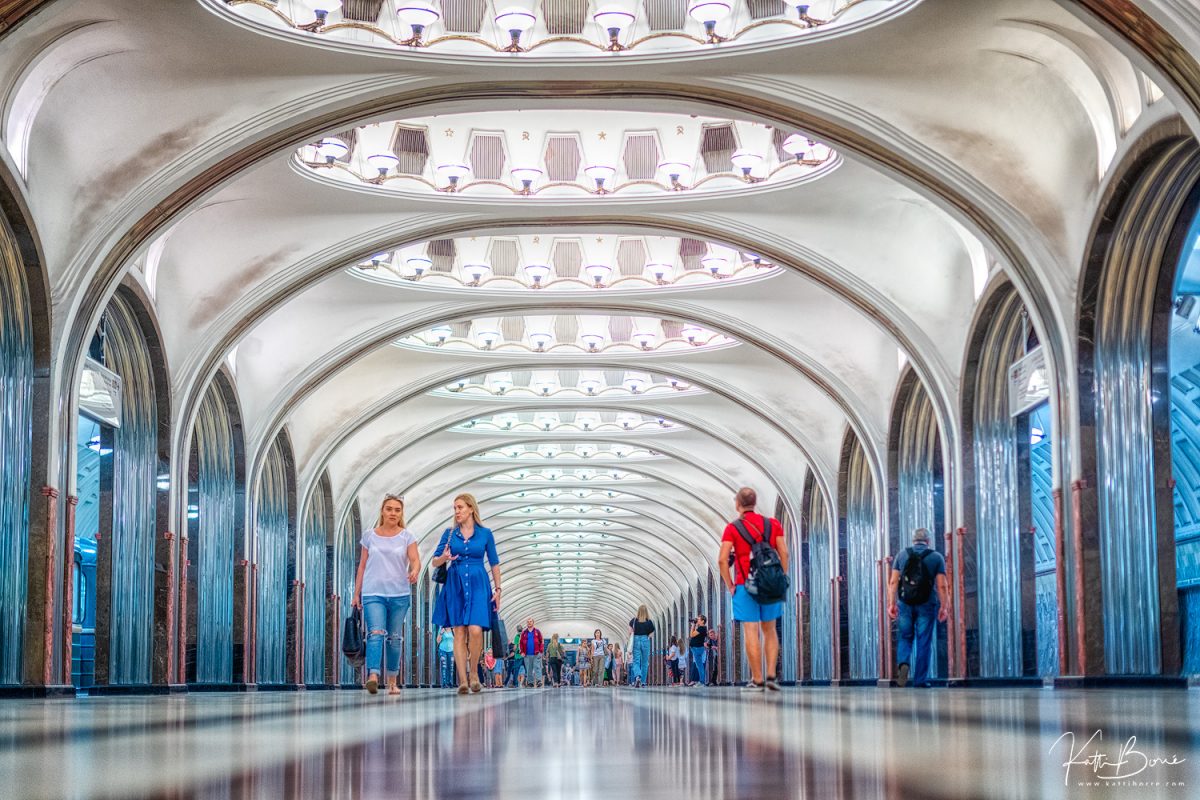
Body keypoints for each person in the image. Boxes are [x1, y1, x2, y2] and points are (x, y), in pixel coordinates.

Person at [719, 487, 790, 692]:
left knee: (751, 631)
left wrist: (730, 585)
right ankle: (770, 676)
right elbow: (784, 552)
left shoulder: (732, 528)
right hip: (770, 585)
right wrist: (781, 577)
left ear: (738, 505)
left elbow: (723, 559)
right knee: (770, 630)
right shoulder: (772, 524)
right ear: (755, 502)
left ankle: (757, 679)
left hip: (744, 584)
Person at [430, 493, 502, 695]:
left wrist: (498, 589)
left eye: (460, 507)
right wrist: (444, 557)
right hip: (455, 583)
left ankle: (474, 674)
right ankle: (462, 679)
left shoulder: (485, 533)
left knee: (476, 629)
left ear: (471, 508)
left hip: (479, 582)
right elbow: (435, 561)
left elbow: (494, 563)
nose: (457, 511)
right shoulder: (450, 533)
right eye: (455, 508)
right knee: (459, 632)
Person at [353, 494, 420, 696]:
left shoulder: (407, 537)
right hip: (373, 592)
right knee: (375, 633)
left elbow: (415, 559)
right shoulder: (369, 536)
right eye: (389, 509)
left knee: (394, 637)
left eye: (397, 510)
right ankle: (373, 676)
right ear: (382, 511)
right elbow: (362, 566)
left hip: (399, 593)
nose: (393, 513)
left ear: (401, 513)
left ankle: (392, 680)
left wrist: (415, 571)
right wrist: (356, 594)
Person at [887, 527, 950, 688]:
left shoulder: (902, 555)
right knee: (924, 641)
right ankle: (920, 680)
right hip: (927, 605)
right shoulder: (936, 557)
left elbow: (893, 582)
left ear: (913, 540)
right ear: (928, 541)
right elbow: (942, 585)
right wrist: (945, 606)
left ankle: (903, 664)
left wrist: (892, 604)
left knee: (905, 637)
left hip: (905, 604)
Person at [628, 605, 655, 687]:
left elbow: (630, 632)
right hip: (645, 640)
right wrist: (645, 635)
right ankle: (643, 682)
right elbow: (651, 635)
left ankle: (638, 675)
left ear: (638, 611)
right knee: (644, 662)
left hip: (636, 640)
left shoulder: (634, 621)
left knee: (636, 661)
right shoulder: (649, 622)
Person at [518, 617, 545, 688]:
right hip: (526, 654)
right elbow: (520, 643)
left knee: (537, 667)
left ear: (533, 623)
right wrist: (521, 652)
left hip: (536, 653)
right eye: (528, 622)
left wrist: (541, 651)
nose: (529, 623)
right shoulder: (524, 633)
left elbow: (542, 641)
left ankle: (539, 681)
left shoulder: (537, 632)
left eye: (530, 621)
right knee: (529, 668)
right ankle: (530, 682)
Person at [688, 614, 709, 686]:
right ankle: (700, 681)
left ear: (703, 621)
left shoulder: (702, 628)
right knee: (698, 665)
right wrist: (695, 624)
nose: (697, 620)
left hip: (697, 648)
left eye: (698, 619)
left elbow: (692, 635)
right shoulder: (700, 628)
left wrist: (693, 626)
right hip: (696, 648)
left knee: (699, 666)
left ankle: (702, 682)